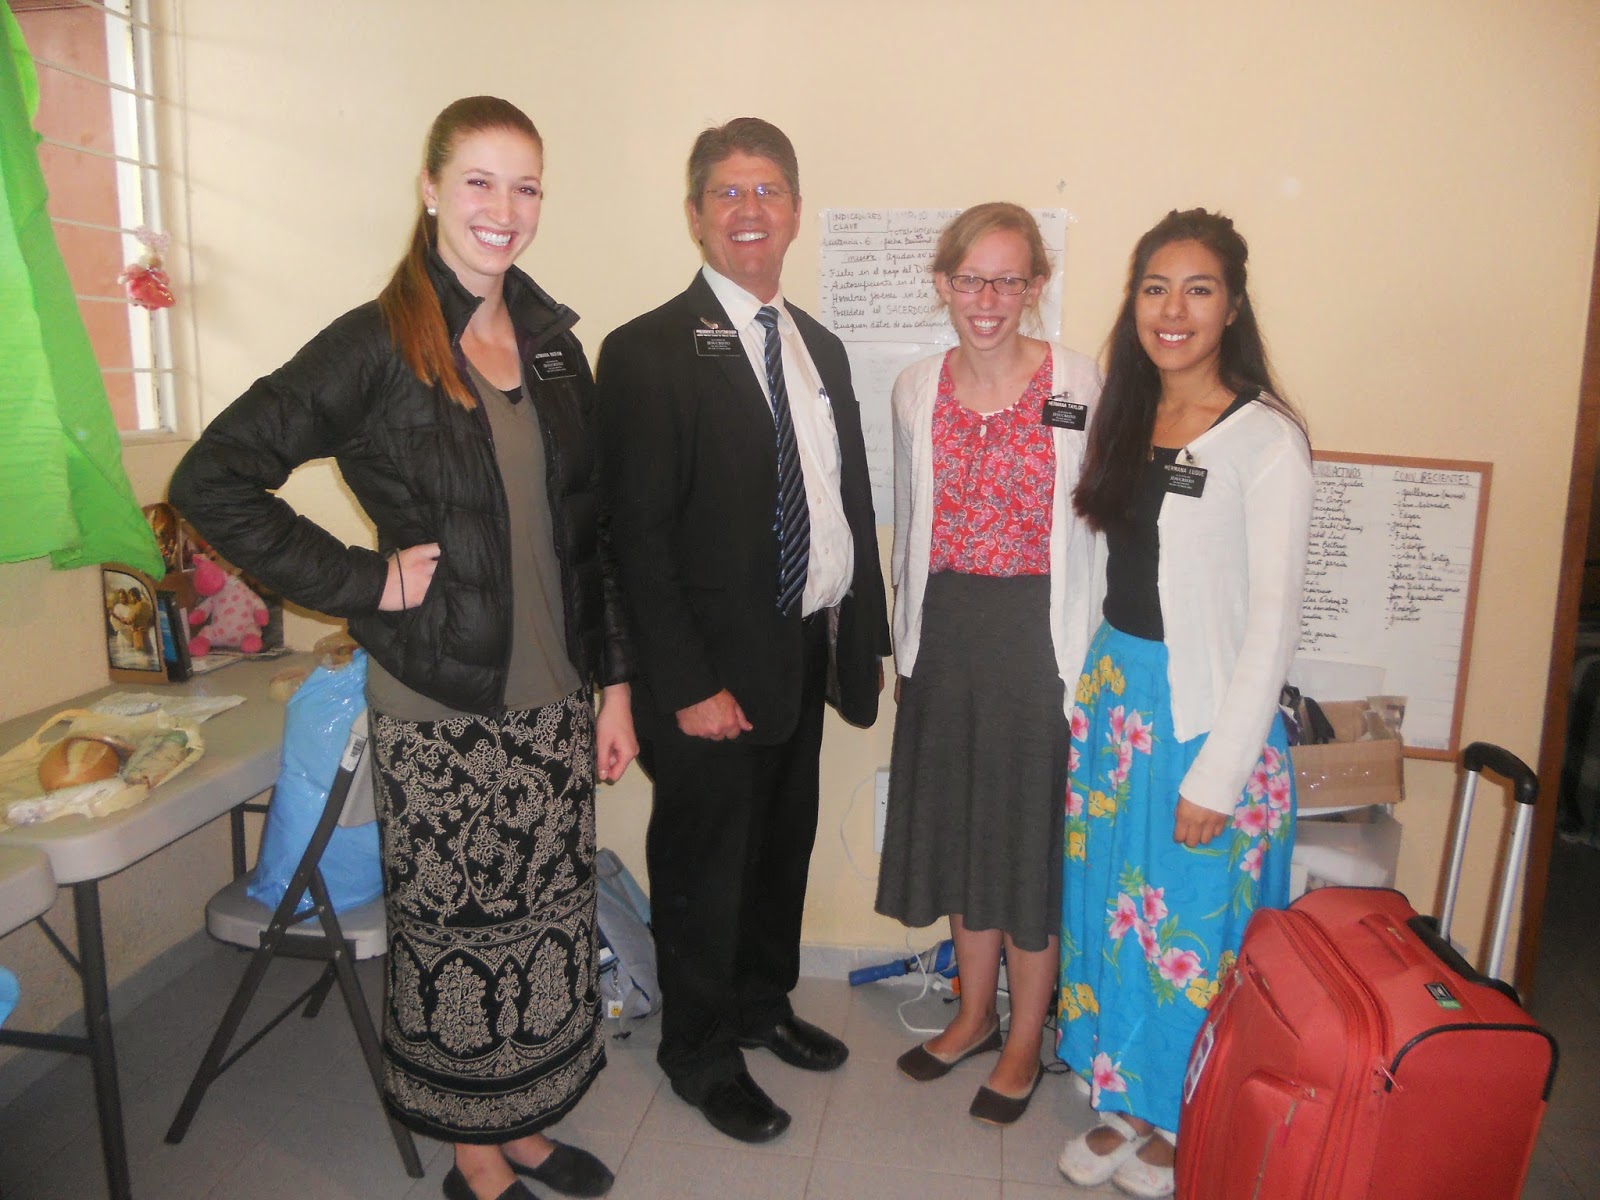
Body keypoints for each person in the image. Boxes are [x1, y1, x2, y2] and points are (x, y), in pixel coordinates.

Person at [169, 97, 634, 1200]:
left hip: (554, 704)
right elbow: (212, 479)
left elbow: (592, 534)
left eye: (525, 186)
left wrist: (614, 685)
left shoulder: (554, 346)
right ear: (430, 190)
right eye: (478, 180)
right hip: (442, 706)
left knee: (544, 927)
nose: (503, 208)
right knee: (463, 942)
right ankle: (476, 1161)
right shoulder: (377, 343)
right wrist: (366, 581)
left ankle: (525, 1127)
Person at [595, 117, 889, 1144]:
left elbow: (843, 502)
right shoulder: (644, 352)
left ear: (795, 211)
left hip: (801, 649)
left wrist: (860, 642)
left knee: (779, 852)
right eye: (727, 192)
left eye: (767, 190)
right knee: (705, 871)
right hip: (706, 672)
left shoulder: (820, 347)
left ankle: (763, 1004)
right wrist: (684, 684)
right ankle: (700, 1054)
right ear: (695, 215)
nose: (749, 209)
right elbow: (633, 539)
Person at [1054, 208, 1312, 1197]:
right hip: (1119, 705)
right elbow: (1099, 566)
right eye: (1155, 287)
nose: (1173, 309)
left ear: (1232, 307)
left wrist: (1219, 772)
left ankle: (1183, 1112)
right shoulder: (1125, 414)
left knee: (1191, 929)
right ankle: (1126, 1095)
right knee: (1118, 913)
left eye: (1198, 289)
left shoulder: (1264, 440)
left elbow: (1272, 623)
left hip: (1206, 717)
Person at [874, 202, 1101, 1124]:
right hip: (946, 635)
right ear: (944, 283)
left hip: (1039, 642)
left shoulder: (1079, 383)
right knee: (965, 833)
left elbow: (1100, 532)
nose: (989, 299)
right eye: (971, 278)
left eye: (1010, 280)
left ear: (1036, 286)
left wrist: (1089, 664)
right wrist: (905, 645)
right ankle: (972, 1015)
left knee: (1024, 847)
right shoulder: (914, 388)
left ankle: (1024, 1037)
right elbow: (910, 526)